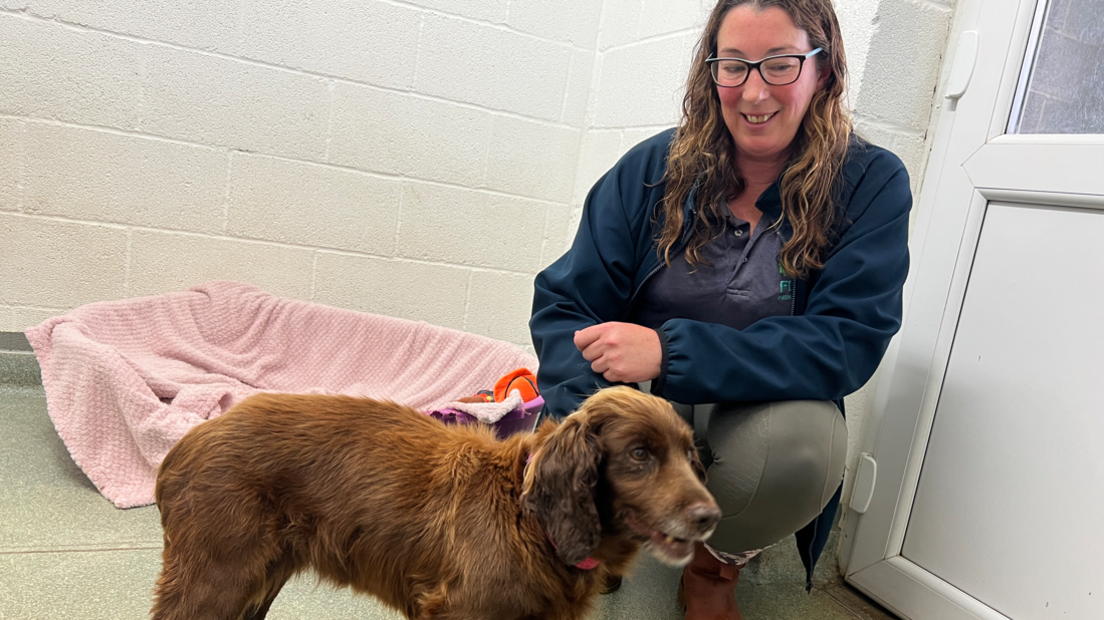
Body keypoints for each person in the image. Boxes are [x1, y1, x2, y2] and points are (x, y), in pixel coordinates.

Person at [529, 0, 911, 618]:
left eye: (780, 65)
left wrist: (670, 351)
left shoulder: (870, 182)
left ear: (825, 69)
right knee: (583, 428)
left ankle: (713, 568)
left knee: (803, 446)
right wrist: (585, 422)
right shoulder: (652, 166)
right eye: (733, 66)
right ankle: (609, 533)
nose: (754, 92)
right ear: (711, 74)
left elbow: (847, 341)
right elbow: (565, 303)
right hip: (641, 400)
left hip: (753, 411)